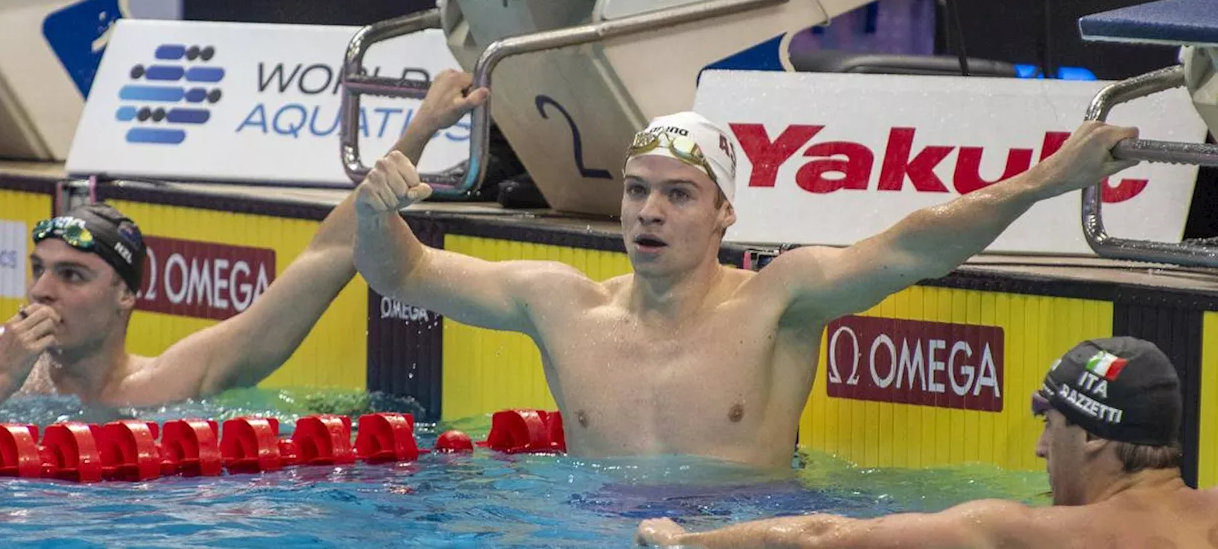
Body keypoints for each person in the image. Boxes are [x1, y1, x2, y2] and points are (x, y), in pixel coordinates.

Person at [354, 92, 1140, 466]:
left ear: (724, 213)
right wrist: (372, 210)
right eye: (636, 191)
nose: (649, 213)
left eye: (677, 194)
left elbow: (916, 248)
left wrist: (1046, 179)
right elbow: (409, 271)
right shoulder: (561, 303)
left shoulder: (779, 302)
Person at [0, 70, 486, 412]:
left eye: (72, 274)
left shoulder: (169, 384)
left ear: (126, 295)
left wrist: (421, 131)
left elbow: (327, 255)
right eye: (40, 268)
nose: (42, 291)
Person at [634, 336, 1218, 547]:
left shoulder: (1026, 532)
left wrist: (685, 543)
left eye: (1050, 424)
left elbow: (819, 537)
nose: (1041, 449)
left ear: (1089, 435)